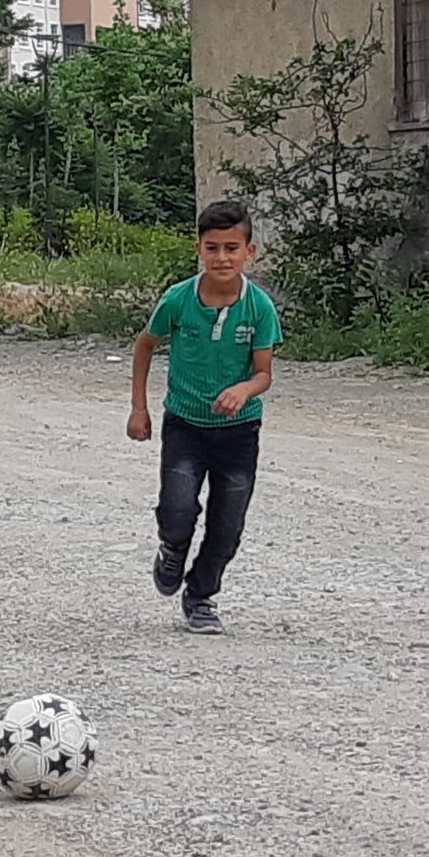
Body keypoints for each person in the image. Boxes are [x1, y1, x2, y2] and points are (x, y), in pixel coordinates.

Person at [127, 200, 283, 634]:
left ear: (249, 252)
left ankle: (200, 597)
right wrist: (139, 408)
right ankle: (172, 549)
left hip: (239, 432)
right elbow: (145, 345)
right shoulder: (178, 299)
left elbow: (264, 373)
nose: (222, 258)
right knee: (178, 508)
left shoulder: (259, 308)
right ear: (199, 249)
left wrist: (244, 389)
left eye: (232, 248)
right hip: (185, 425)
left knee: (227, 525)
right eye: (212, 248)